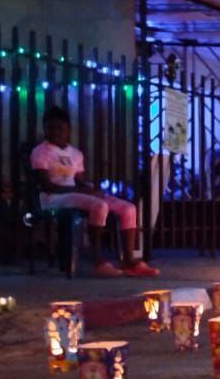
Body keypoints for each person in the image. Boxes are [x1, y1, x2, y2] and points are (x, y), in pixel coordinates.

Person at [31, 106, 158, 276]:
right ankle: (97, 259)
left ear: (68, 130)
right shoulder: (40, 152)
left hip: (75, 194)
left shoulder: (75, 154)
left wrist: (91, 189)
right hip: (52, 197)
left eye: (59, 128)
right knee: (98, 205)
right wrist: (81, 190)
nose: (54, 132)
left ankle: (128, 259)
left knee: (128, 208)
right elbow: (46, 185)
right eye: (49, 128)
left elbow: (79, 180)